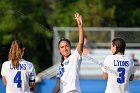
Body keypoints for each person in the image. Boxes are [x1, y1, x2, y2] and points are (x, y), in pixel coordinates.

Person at [53, 13, 84, 93]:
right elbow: (58, 86)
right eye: (62, 47)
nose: (65, 48)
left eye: (66, 46)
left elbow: (80, 42)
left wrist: (80, 25)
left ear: (70, 47)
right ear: (59, 50)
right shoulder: (60, 66)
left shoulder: (75, 57)